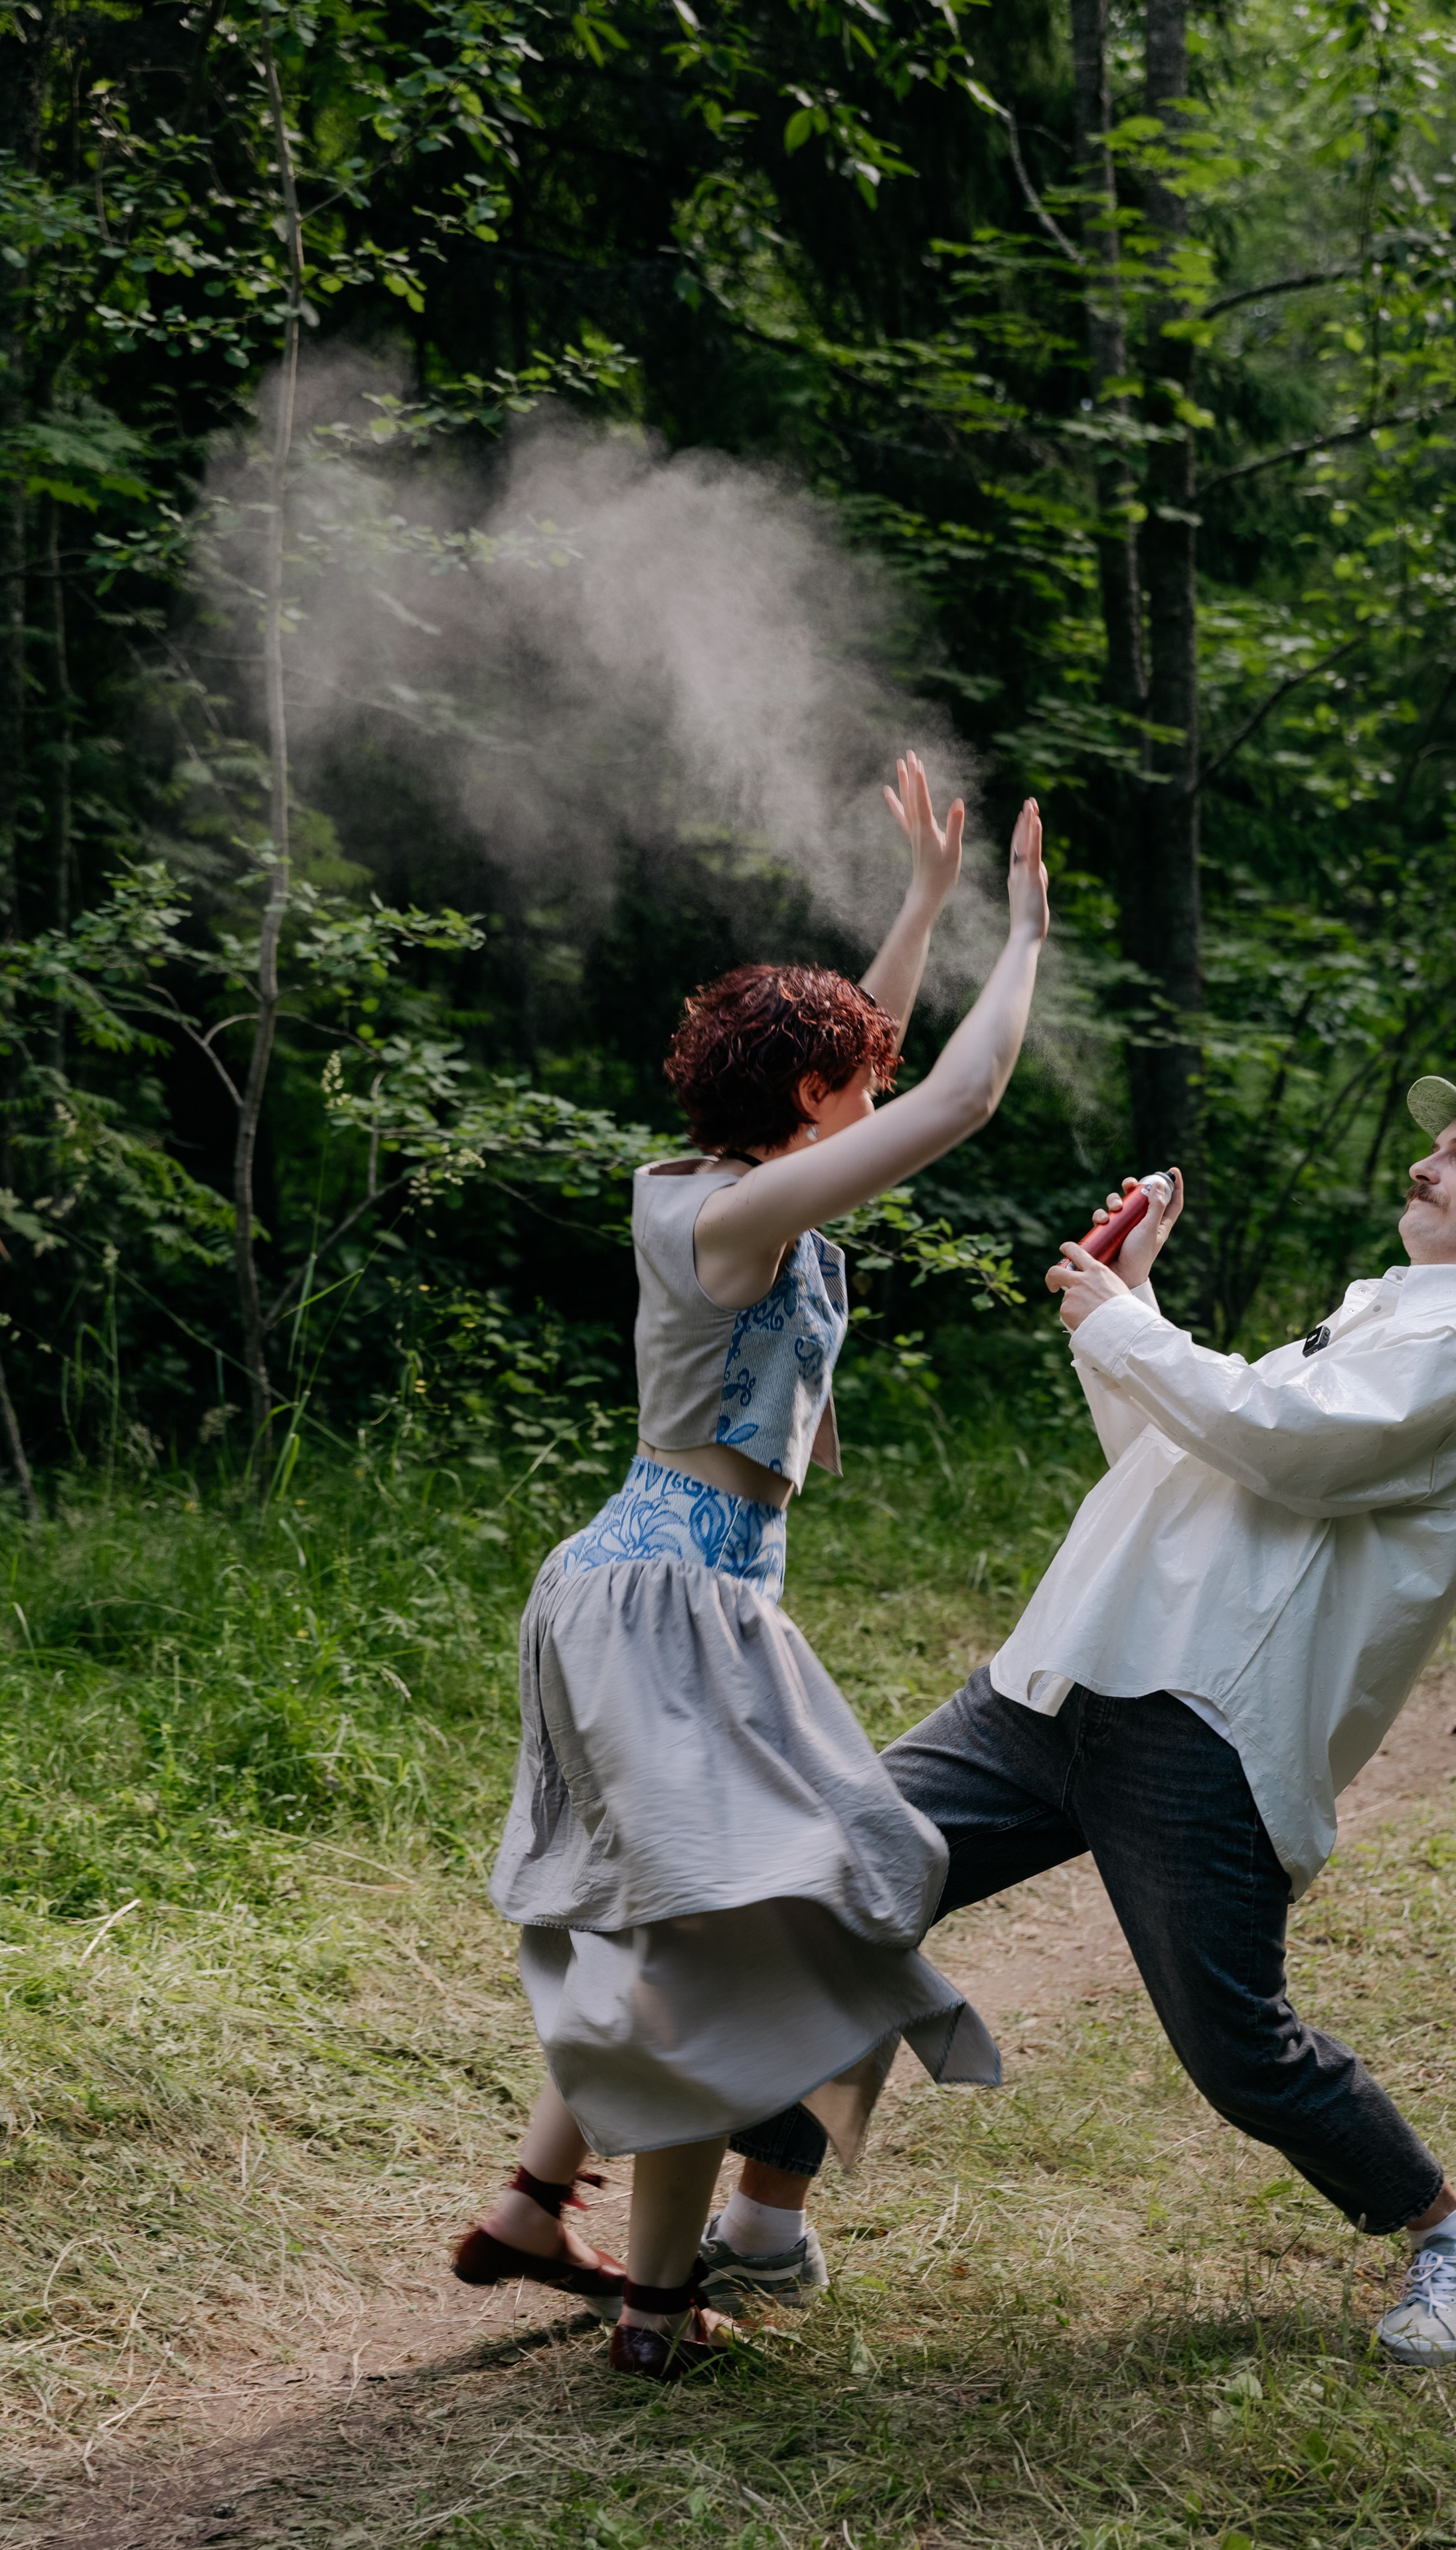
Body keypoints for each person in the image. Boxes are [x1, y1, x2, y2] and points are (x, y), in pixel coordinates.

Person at [734, 1078, 1456, 2367]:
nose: (1426, 1164)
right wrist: (1126, 1305)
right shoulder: (1379, 1312)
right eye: (1430, 1144)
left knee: (1238, 2050)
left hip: (1202, 1722)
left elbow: (1291, 1447)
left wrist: (1127, 1327)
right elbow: (1185, 1453)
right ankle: (761, 2230)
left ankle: (1449, 2236)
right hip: (1064, 1675)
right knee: (839, 1880)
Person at [453, 754, 1050, 2378]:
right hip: (661, 1605)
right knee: (710, 1938)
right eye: (850, 1076)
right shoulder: (727, 1225)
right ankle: (654, 2312)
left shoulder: (732, 1184)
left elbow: (871, 1055)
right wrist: (1019, 940)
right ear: (803, 1104)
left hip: (680, 1595)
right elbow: (956, 1102)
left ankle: (530, 2208)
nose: (873, 1080)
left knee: (696, 1915)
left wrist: (920, 907)